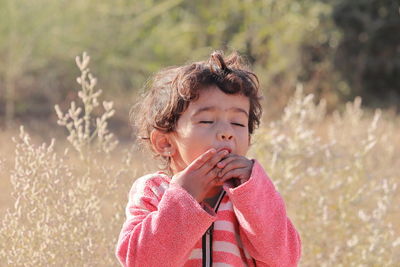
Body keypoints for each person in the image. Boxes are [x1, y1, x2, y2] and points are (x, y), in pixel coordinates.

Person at [115, 51, 301, 266]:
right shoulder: (153, 191)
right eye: (206, 121)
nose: (226, 132)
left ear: (248, 141)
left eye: (238, 123)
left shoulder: (254, 195)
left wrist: (252, 192)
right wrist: (185, 197)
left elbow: (285, 259)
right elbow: (140, 261)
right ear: (165, 142)